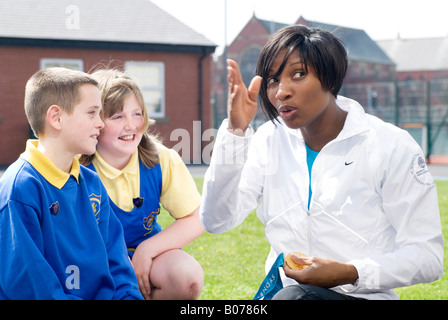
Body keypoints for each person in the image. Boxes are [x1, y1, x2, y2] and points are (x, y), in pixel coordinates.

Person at [200, 25, 444, 300]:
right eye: (272, 80)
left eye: (298, 74)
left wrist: (351, 272)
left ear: (329, 76)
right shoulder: (268, 140)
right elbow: (215, 220)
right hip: (286, 294)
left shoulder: (390, 145)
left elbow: (428, 256)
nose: (281, 91)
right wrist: (234, 133)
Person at [0, 67, 143, 300]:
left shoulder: (92, 184)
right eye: (91, 113)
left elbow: (117, 264)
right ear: (56, 118)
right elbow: (31, 287)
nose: (101, 124)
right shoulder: (20, 189)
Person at [80, 69, 204, 300]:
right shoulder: (75, 165)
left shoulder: (161, 159)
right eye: (117, 116)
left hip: (144, 251)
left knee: (186, 278)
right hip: (93, 258)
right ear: (96, 121)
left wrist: (146, 251)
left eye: (137, 114)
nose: (131, 125)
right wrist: (118, 263)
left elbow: (196, 218)